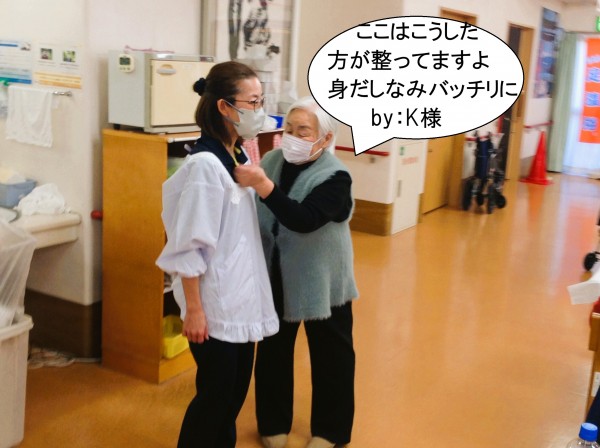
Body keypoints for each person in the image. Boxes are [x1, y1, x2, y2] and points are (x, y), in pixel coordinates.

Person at [155, 61, 279, 448]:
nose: (259, 110)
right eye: (252, 102)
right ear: (225, 107)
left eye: (261, 101)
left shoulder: (237, 155)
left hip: (238, 299)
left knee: (231, 398)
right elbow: (190, 245)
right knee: (214, 401)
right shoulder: (205, 167)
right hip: (213, 307)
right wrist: (193, 309)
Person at [235, 96, 359, 448]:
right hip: (276, 274)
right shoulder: (271, 161)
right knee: (273, 352)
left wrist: (264, 187)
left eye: (302, 131)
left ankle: (331, 432)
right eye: (288, 129)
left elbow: (304, 219)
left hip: (324, 279)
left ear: (325, 137)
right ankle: (273, 423)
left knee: (332, 356)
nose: (292, 137)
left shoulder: (336, 177)